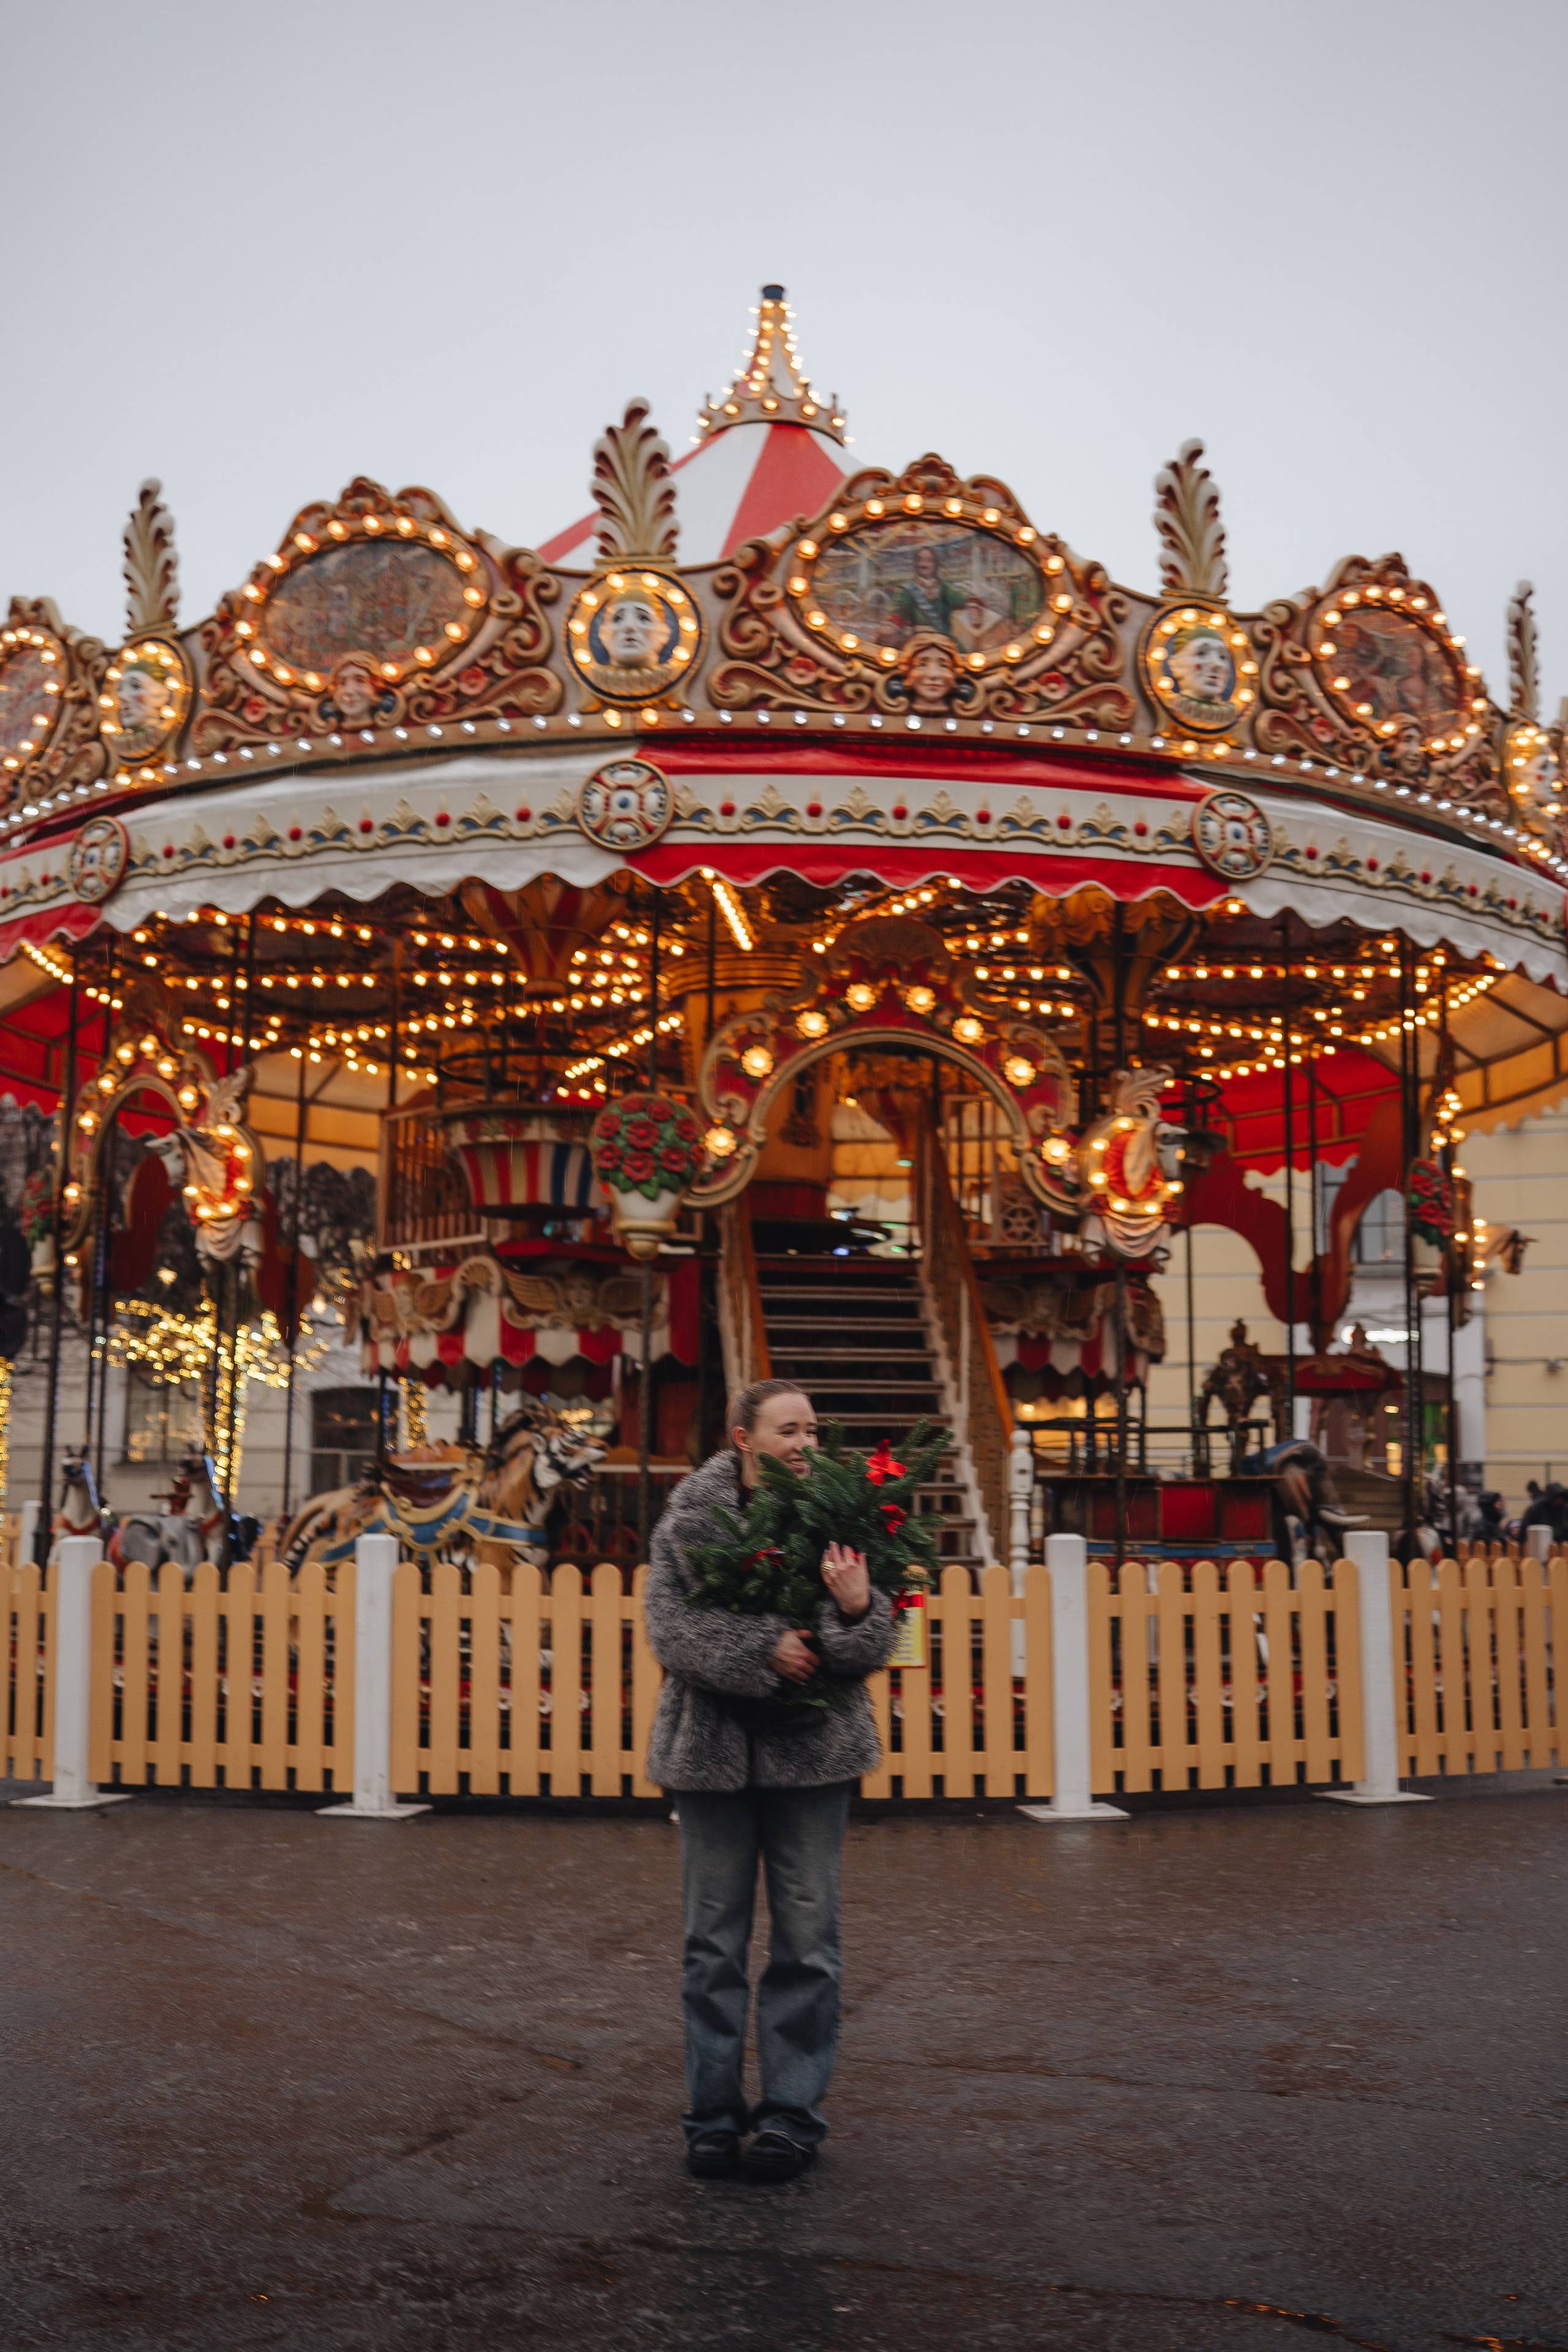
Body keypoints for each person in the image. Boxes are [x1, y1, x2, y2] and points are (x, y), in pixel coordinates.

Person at [644, 1377, 897, 2184]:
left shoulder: (840, 1514)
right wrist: (762, 1650)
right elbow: (670, 1628)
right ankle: (712, 2118)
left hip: (813, 1755)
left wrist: (856, 1612)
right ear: (743, 1437)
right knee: (710, 1945)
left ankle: (792, 2116)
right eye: (788, 1430)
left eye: (812, 1432)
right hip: (711, 1757)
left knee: (808, 1942)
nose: (804, 1445)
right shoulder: (690, 1515)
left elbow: (870, 1639)